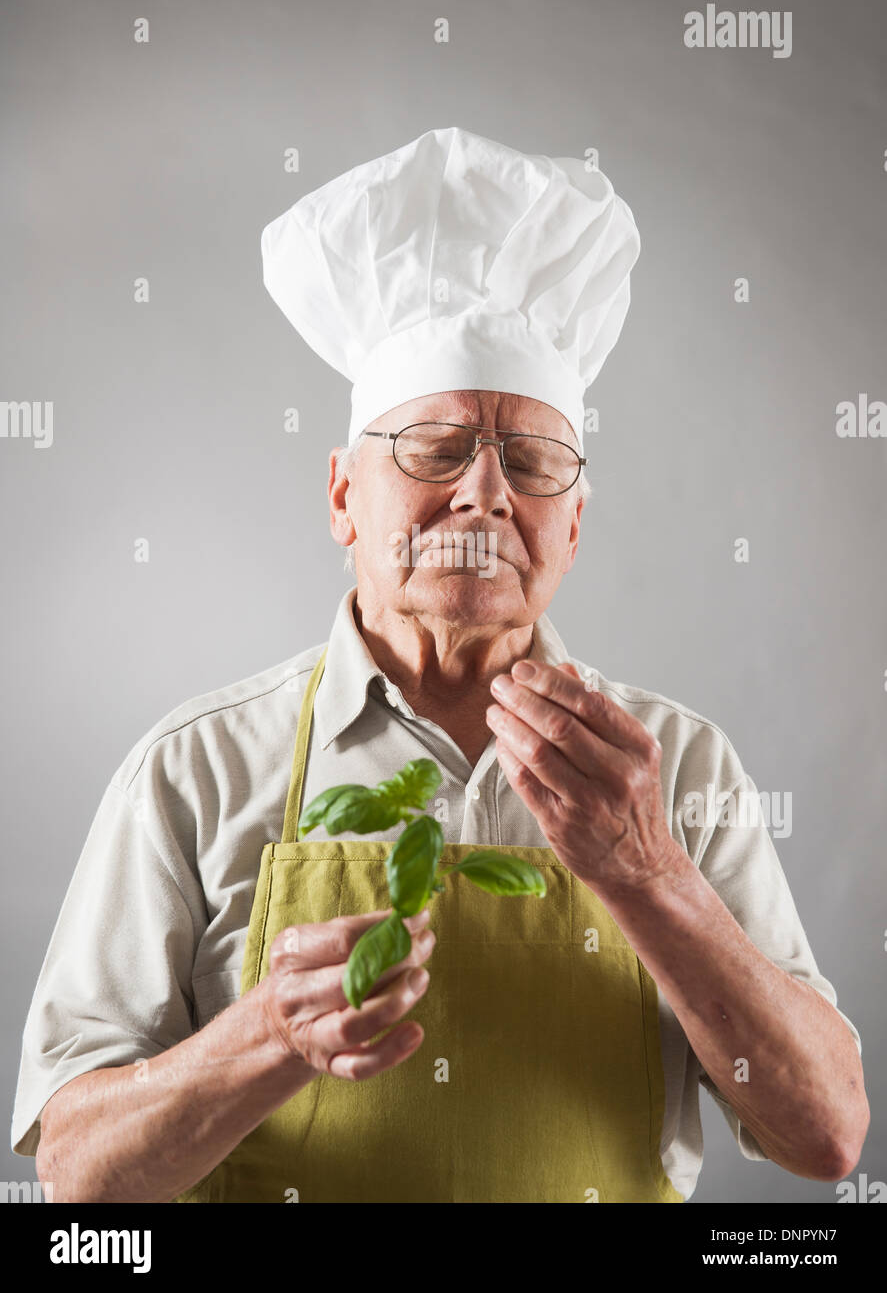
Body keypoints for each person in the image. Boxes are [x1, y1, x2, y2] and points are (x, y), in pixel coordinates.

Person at [12, 127, 868, 1203]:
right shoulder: (193, 771)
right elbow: (77, 1180)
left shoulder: (678, 768)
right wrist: (266, 1035)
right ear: (341, 495)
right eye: (433, 448)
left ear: (572, 525)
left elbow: (824, 1133)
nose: (484, 494)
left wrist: (651, 878)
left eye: (532, 460)